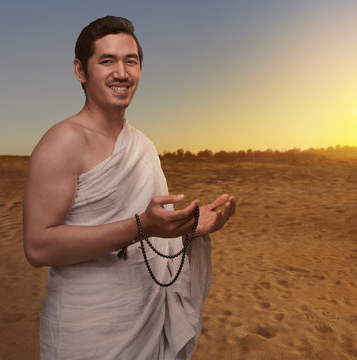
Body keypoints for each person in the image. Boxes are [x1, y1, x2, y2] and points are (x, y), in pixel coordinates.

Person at [23, 15, 236, 359]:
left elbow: (156, 236)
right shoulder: (62, 142)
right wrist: (140, 226)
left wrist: (189, 227)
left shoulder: (143, 146)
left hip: (144, 317)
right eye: (106, 61)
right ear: (81, 70)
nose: (121, 73)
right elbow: (38, 247)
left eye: (130, 61)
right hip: (87, 327)